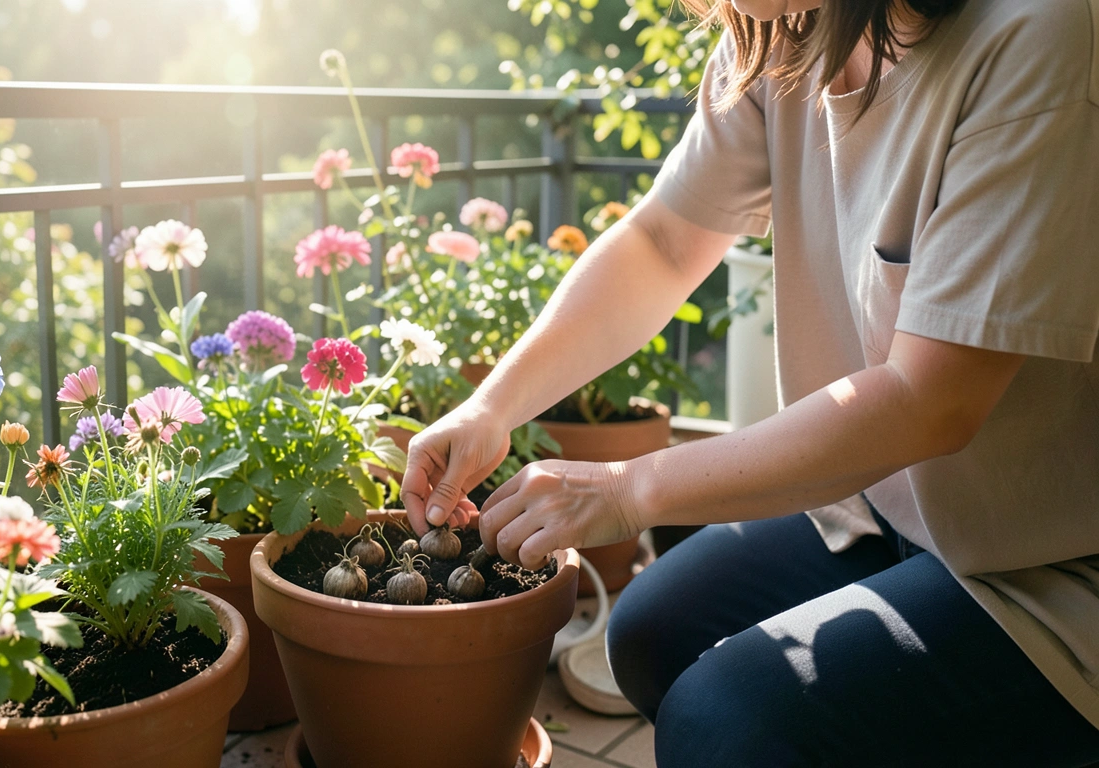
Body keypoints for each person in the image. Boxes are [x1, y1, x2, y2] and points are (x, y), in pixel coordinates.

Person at [400, 0, 1099, 764]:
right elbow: (665, 241)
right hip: (886, 510)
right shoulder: (779, 26)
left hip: (1043, 565)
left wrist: (626, 488)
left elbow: (931, 402)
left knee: (723, 722)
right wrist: (490, 406)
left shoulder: (1037, 32)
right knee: (651, 633)